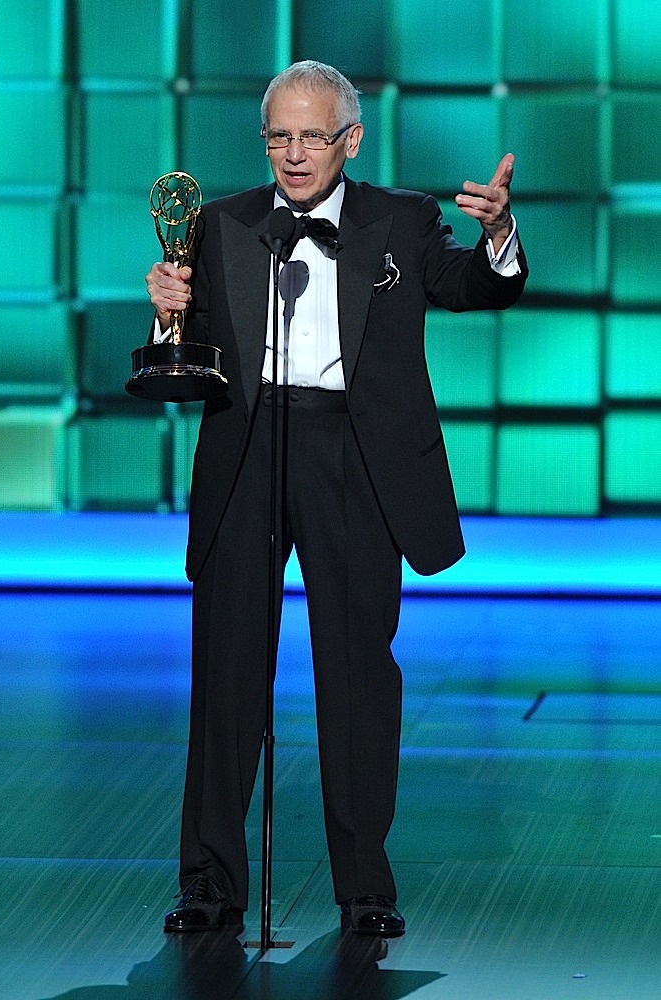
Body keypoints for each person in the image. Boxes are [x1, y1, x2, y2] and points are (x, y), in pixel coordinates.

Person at [145, 60, 528, 938]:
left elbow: (471, 286)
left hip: (355, 456)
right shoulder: (220, 223)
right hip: (247, 451)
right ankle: (208, 882)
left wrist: (500, 235)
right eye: (279, 136)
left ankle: (364, 888)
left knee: (357, 674)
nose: (294, 153)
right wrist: (167, 312)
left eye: (312, 136)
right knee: (226, 672)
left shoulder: (402, 220)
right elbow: (188, 354)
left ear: (350, 140)